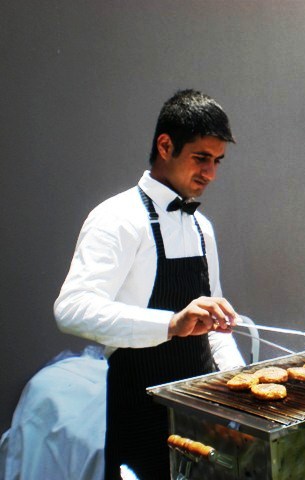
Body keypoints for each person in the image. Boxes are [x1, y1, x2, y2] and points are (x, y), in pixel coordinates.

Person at [54, 89, 245, 479]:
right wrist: (170, 324)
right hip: (140, 414)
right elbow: (71, 309)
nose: (210, 173)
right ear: (165, 146)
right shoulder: (116, 217)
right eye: (201, 158)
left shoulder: (201, 227)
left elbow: (214, 326)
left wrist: (237, 381)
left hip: (200, 410)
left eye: (217, 161)